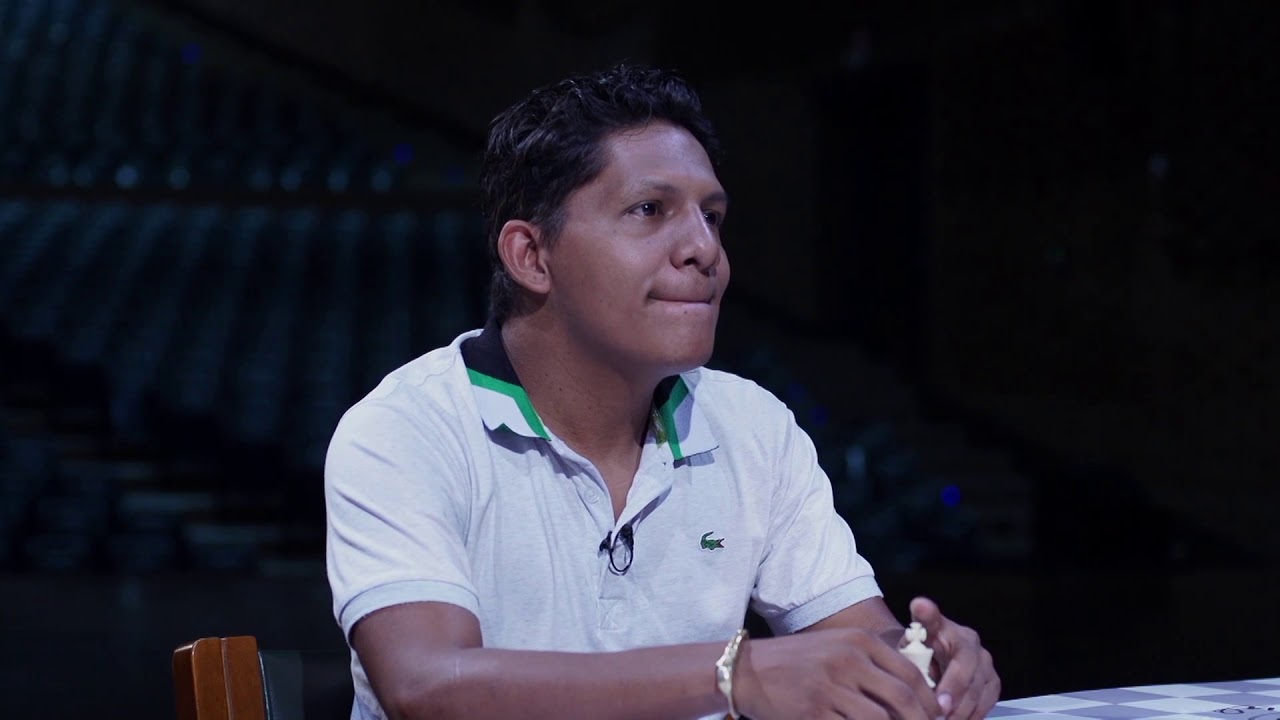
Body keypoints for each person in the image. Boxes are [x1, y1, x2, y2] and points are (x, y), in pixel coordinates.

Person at [324, 62, 1000, 720]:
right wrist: (737, 675)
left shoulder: (754, 425)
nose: (705, 250)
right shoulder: (405, 429)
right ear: (531, 256)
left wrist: (924, 666)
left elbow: (862, 638)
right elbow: (429, 687)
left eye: (713, 216)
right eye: (650, 210)